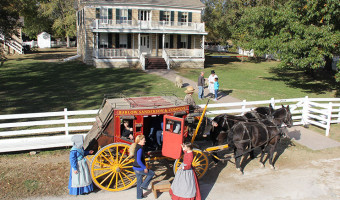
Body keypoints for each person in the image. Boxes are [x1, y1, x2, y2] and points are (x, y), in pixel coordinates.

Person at [130, 135, 155, 199]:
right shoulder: (140, 148)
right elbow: (138, 160)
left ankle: (139, 196)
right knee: (152, 173)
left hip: (135, 167)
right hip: (139, 168)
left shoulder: (136, 146)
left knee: (139, 182)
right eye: (144, 140)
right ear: (140, 140)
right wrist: (144, 168)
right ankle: (144, 186)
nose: (145, 141)